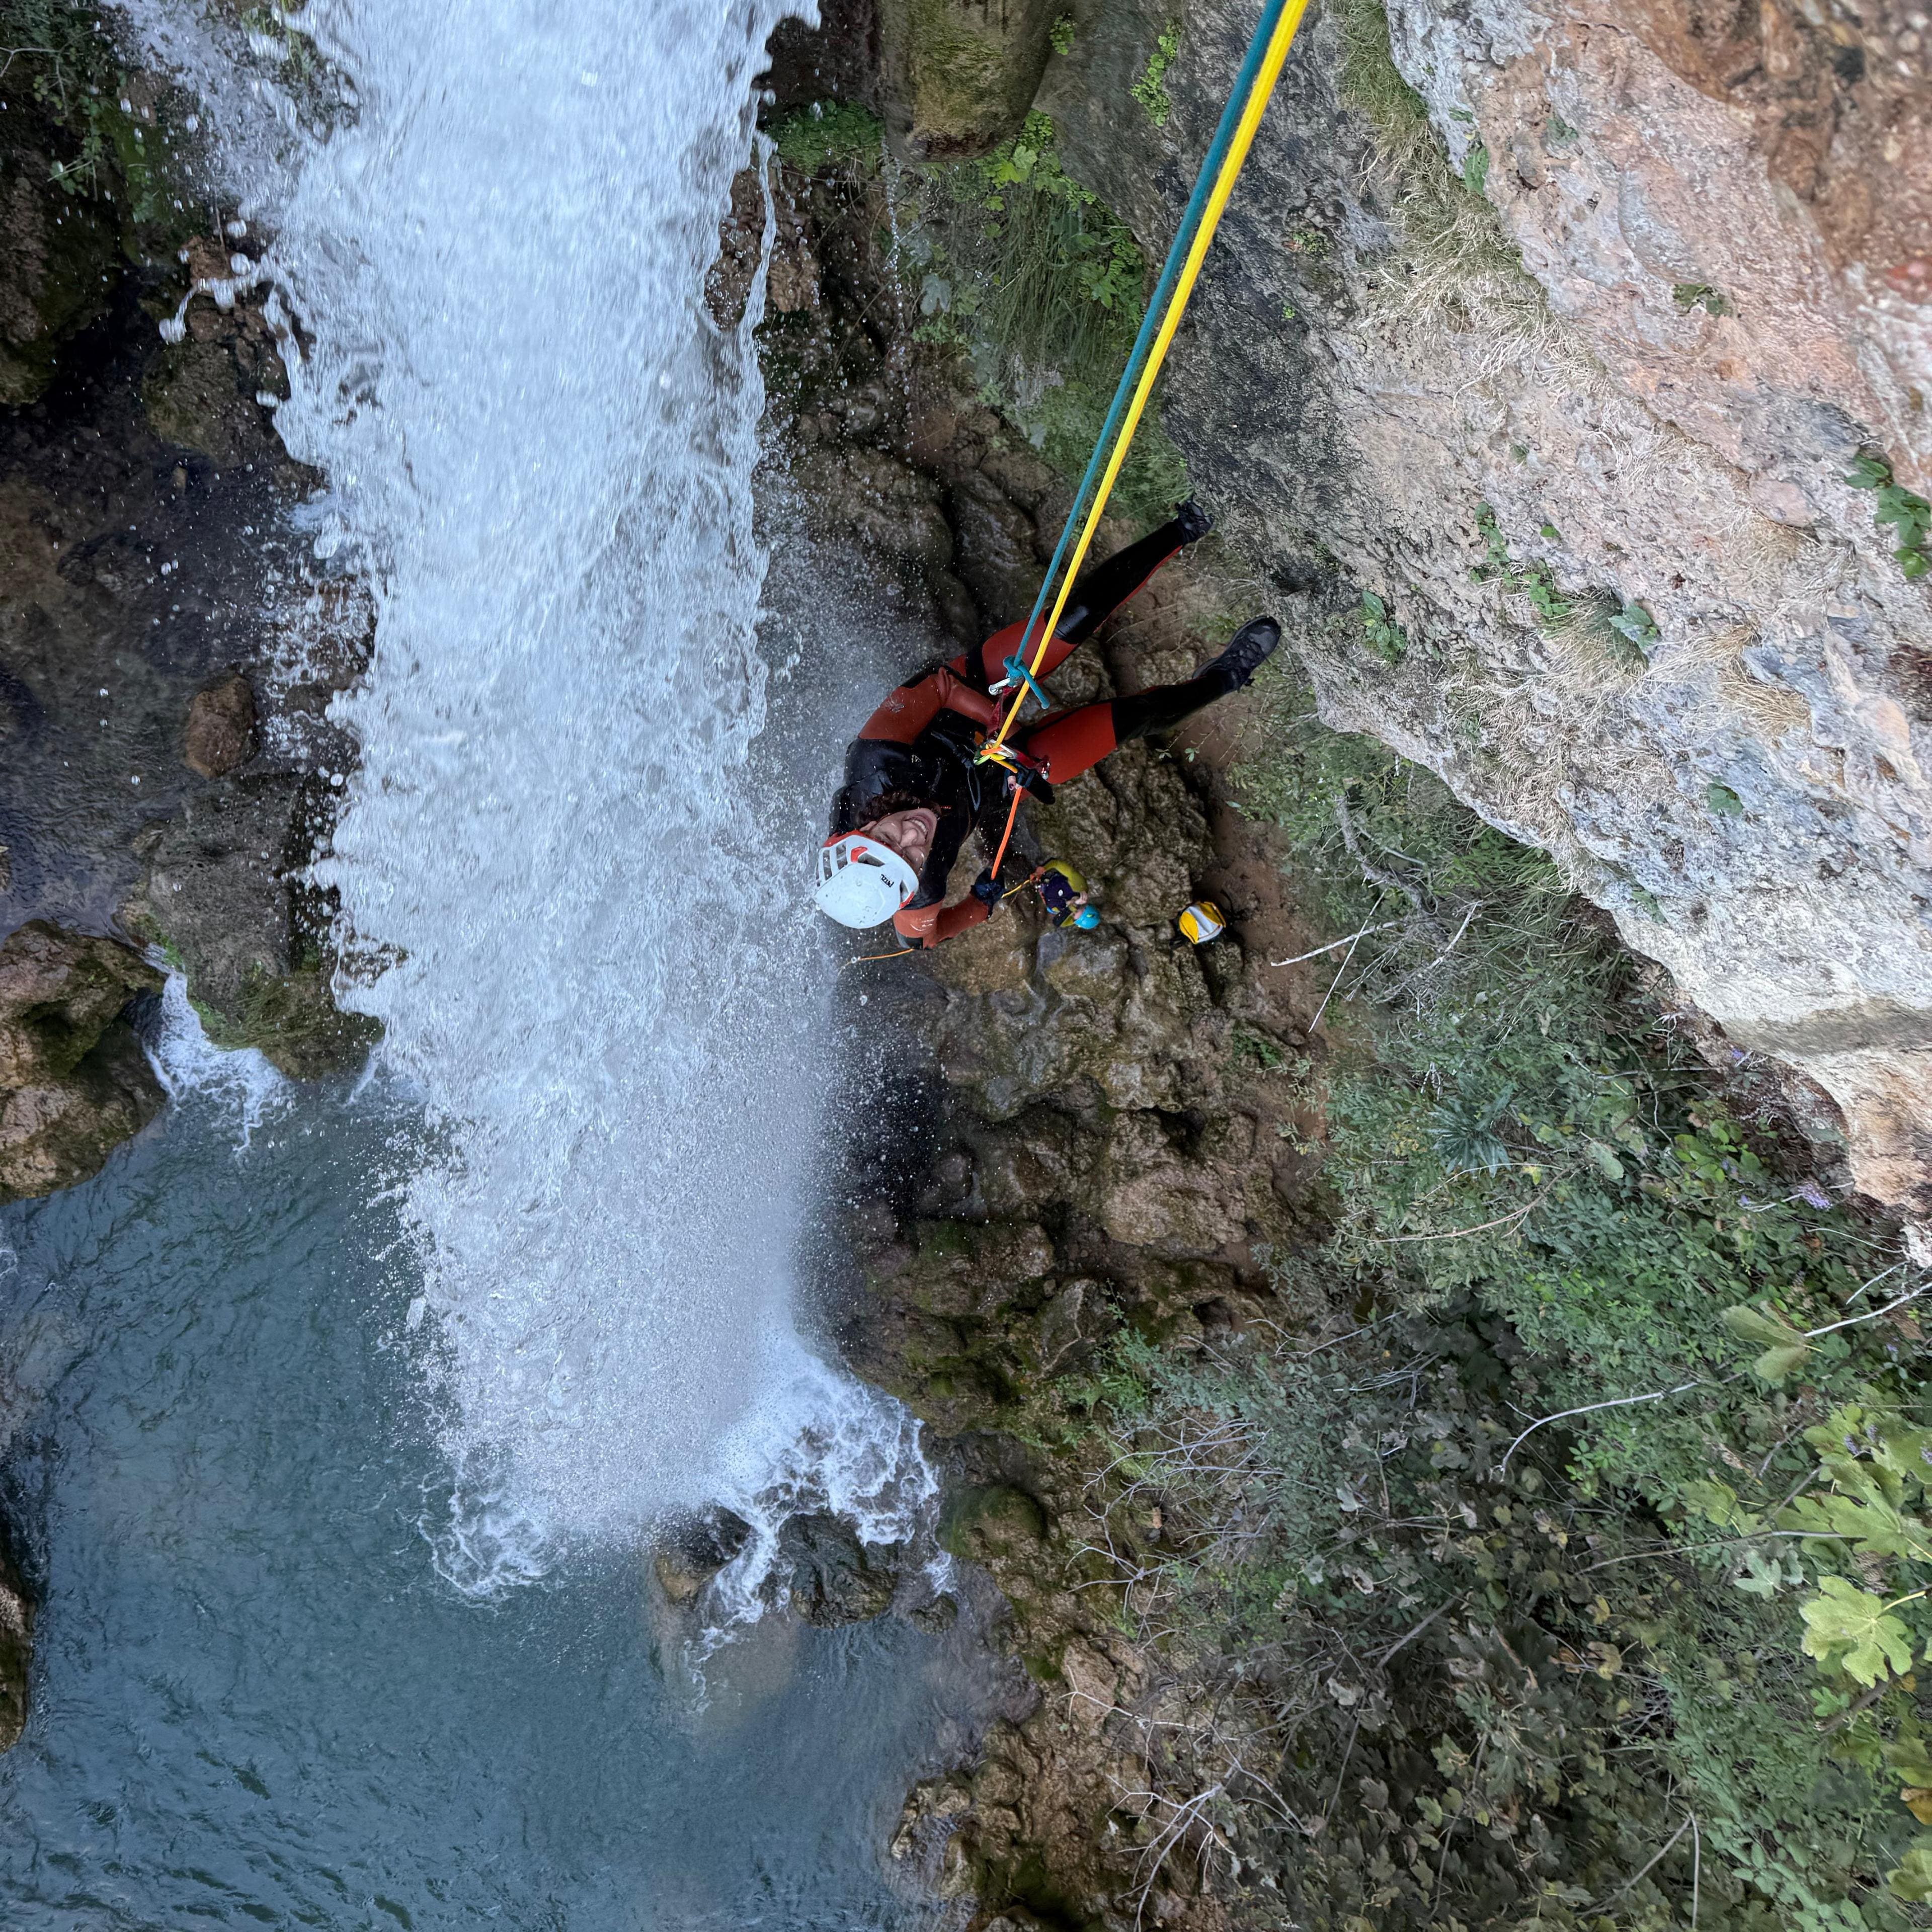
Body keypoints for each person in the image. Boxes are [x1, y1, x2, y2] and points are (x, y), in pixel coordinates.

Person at [813, 502, 1280, 947]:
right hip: (999, 774)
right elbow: (922, 939)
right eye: (912, 857)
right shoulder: (918, 891)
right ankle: (1226, 678)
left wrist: (1002, 726)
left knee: (1069, 623)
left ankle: (1185, 527)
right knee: (1135, 719)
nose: (914, 836)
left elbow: (939, 687)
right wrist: (979, 904)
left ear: (867, 827)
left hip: (970, 696)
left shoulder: (874, 757)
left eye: (890, 838)